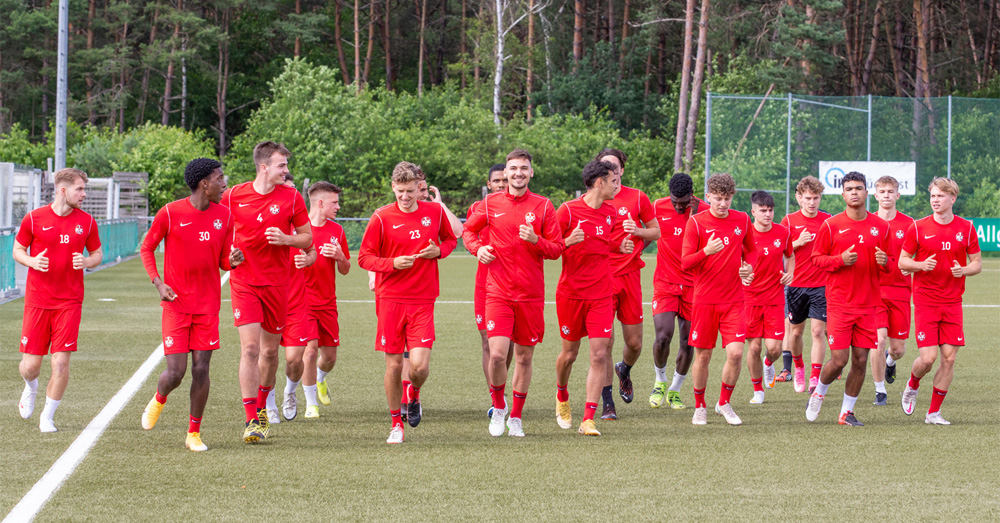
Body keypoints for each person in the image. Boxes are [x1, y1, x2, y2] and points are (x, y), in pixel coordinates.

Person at [138, 158, 243, 451]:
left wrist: (231, 262)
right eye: (220, 178)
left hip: (207, 305)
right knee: (176, 372)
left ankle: (193, 433)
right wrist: (158, 282)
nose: (224, 184)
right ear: (203, 184)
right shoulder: (170, 213)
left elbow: (222, 259)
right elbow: (146, 248)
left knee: (201, 369)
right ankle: (160, 398)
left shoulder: (225, 216)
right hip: (176, 304)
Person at [463, 148, 564, 437]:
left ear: (531, 172)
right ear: (505, 173)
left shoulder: (544, 206)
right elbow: (468, 232)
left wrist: (536, 240)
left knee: (524, 358)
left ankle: (516, 418)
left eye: (524, 168)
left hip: (531, 295)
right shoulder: (490, 202)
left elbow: (557, 249)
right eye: (513, 168)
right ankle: (498, 407)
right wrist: (478, 248)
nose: (518, 173)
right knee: (496, 356)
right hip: (498, 292)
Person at [358, 161, 457, 444]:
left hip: (423, 299)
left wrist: (438, 251)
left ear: (419, 189)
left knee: (419, 367)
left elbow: (451, 241)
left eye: (411, 191)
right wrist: (391, 264)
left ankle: (413, 394)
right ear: (393, 187)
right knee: (392, 367)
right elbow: (364, 258)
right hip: (390, 299)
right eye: (400, 191)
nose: (405, 197)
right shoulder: (381, 217)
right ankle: (395, 424)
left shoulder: (435, 213)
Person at [222, 141, 312, 443]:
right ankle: (251, 419)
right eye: (281, 165)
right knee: (250, 349)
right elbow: (216, 230)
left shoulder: (292, 197)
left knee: (271, 351)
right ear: (264, 167)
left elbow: (307, 240)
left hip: (278, 284)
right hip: (244, 282)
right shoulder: (233, 196)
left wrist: (287, 239)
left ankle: (262, 406)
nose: (286, 170)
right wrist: (226, 255)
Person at [14, 168, 103, 433]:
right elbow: (17, 249)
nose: (84, 194)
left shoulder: (87, 222)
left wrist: (88, 261)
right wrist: (31, 260)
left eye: (84, 189)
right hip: (37, 301)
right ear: (63, 190)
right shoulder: (33, 218)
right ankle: (31, 387)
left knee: (60, 362)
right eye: (79, 189)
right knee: (31, 367)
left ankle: (47, 417)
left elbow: (97, 253)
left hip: (70, 302)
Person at [554, 160, 635, 436]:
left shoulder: (611, 212)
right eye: (613, 180)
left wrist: (620, 245)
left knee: (599, 355)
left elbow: (605, 242)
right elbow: (548, 248)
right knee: (569, 354)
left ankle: (588, 418)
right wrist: (566, 242)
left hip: (601, 293)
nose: (617, 184)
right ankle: (562, 395)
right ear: (599, 182)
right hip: (571, 295)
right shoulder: (566, 211)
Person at [805, 171, 889, 426]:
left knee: (861, 360)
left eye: (859, 188)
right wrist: (839, 260)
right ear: (843, 195)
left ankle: (846, 412)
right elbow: (816, 259)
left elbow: (892, 264)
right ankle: (819, 390)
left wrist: (886, 263)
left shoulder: (881, 227)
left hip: (868, 305)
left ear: (866, 193)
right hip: (840, 303)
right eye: (849, 188)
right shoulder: (831, 226)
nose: (854, 192)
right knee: (839, 360)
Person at [898, 178, 981, 425]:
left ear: (952, 199)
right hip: (925, 301)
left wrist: (964, 270)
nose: (935, 200)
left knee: (949, 359)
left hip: (953, 302)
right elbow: (903, 261)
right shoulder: (918, 227)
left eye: (940, 196)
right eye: (933, 196)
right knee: (928, 359)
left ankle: (933, 413)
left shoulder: (966, 228)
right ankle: (913, 383)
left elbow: (977, 263)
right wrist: (920, 265)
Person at [680, 173, 755, 426]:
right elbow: (685, 262)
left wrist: (748, 267)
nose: (723, 204)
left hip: (734, 300)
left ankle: (723, 402)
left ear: (732, 196)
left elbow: (751, 250)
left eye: (727, 199)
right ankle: (699, 406)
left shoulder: (743, 220)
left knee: (735, 354)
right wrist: (706, 251)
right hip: (704, 301)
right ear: (708, 196)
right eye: (718, 199)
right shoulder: (697, 223)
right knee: (703, 357)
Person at [596, 148, 659, 420]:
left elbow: (656, 231)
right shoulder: (596, 198)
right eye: (605, 165)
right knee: (605, 344)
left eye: (615, 165)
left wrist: (638, 232)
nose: (611, 169)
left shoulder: (637, 197)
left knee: (634, 344)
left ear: (622, 168)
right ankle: (607, 402)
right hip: (602, 279)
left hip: (631, 277)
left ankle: (625, 370)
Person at [290, 181, 351, 420]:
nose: (338, 206)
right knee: (310, 351)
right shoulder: (297, 230)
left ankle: (321, 380)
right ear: (321, 202)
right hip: (302, 303)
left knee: (329, 358)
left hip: (328, 303)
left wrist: (340, 256)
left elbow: (345, 270)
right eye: (335, 202)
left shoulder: (337, 231)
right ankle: (310, 403)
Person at [649, 173, 701, 409]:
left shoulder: (703, 211)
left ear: (692, 195)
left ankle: (675, 390)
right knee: (663, 336)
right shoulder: (657, 207)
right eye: (675, 201)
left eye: (683, 202)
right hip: (665, 283)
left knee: (687, 342)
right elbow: (644, 234)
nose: (679, 206)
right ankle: (660, 381)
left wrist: (698, 213)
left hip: (694, 285)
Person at [466, 164, 514, 417]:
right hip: (485, 285)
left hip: (515, 285)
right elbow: (466, 234)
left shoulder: (521, 207)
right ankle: (495, 398)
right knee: (488, 343)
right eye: (496, 180)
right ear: (489, 183)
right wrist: (478, 249)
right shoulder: (479, 208)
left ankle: (501, 388)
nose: (501, 184)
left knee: (509, 345)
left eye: (504, 180)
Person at [269, 173, 317, 423]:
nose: (291, 195)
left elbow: (312, 251)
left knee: (294, 358)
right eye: (286, 190)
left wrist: (308, 258)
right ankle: (267, 404)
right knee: (265, 355)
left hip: (296, 301)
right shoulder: (263, 220)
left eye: (293, 190)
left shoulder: (301, 224)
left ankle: (289, 392)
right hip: (268, 299)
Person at [778, 176, 832, 393]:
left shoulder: (828, 221)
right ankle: (798, 367)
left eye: (816, 198)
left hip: (822, 285)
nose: (812, 203)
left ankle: (815, 377)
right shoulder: (789, 221)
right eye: (808, 198)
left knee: (818, 332)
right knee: (796, 333)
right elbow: (776, 250)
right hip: (796, 285)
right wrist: (797, 243)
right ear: (799, 198)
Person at [741, 191, 794, 405]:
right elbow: (734, 259)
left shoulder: (783, 232)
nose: (768, 214)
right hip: (749, 299)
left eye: (771, 210)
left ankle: (769, 362)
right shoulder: (744, 234)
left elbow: (790, 255)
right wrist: (742, 273)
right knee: (753, 347)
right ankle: (758, 390)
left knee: (774, 348)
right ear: (753, 212)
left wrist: (790, 273)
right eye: (763, 211)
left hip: (774, 297)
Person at [869, 176, 914, 406]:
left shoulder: (909, 225)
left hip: (900, 291)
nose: (886, 195)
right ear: (875, 195)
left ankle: (891, 362)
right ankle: (880, 390)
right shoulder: (866, 222)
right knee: (878, 340)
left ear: (898, 195)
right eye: (882, 191)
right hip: (874, 292)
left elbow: (920, 254)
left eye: (890, 191)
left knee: (897, 349)